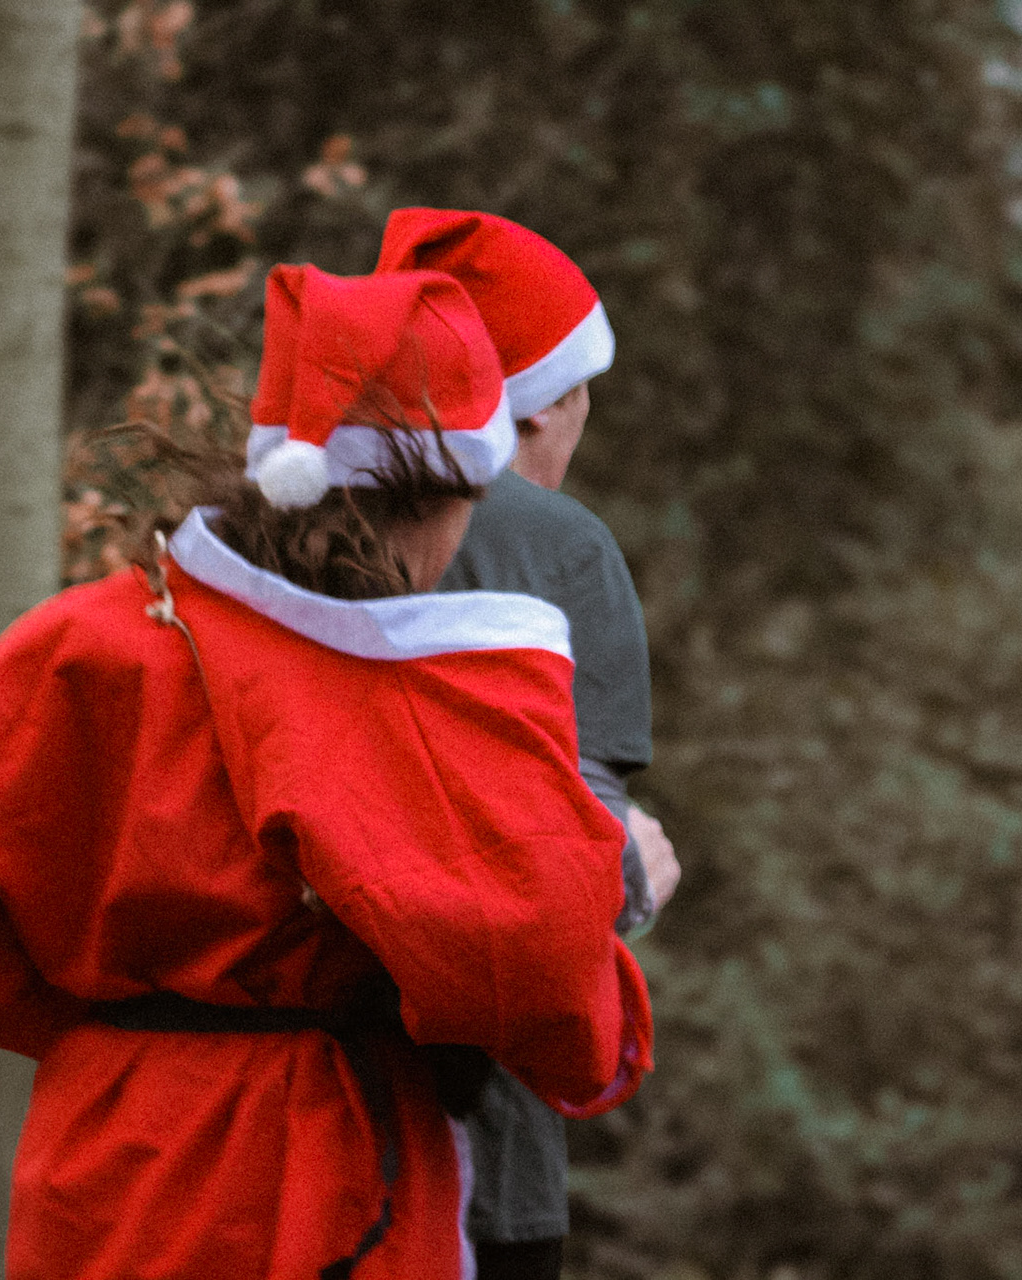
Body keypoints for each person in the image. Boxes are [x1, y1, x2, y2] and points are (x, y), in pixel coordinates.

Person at [0, 264, 654, 1280]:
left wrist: (106, 1033)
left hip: (107, 1147)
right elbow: (535, 975)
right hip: (328, 1163)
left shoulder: (83, 640)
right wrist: (617, 917)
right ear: (441, 499)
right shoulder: (423, 702)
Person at [376, 209, 680, 1280]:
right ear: (547, 400)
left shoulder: (254, 520)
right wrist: (631, 873)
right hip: (476, 1148)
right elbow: (577, 852)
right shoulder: (559, 545)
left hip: (254, 1141)